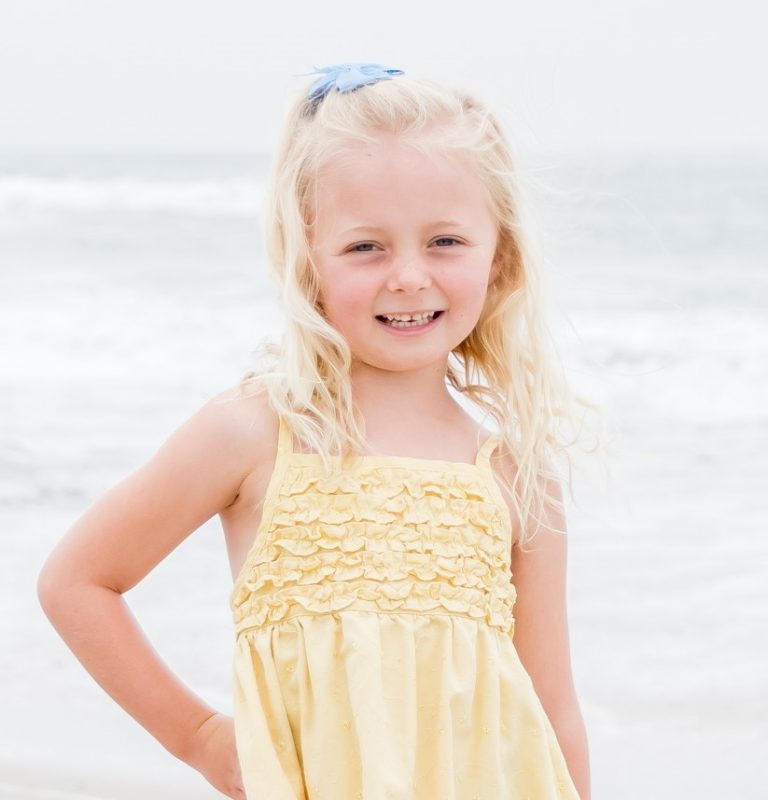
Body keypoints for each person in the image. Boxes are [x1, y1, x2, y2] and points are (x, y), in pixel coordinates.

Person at [38, 63, 591, 800]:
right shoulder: (258, 431)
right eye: (366, 247)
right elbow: (77, 582)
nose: (408, 276)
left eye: (445, 241)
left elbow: (553, 710)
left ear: (501, 257)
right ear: (307, 260)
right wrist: (199, 737)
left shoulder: (516, 477)